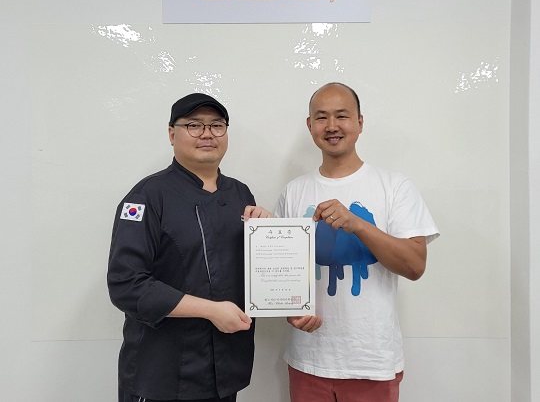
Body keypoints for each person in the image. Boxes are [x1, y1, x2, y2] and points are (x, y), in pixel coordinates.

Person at [274, 82, 439, 402]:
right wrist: (289, 311)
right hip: (308, 360)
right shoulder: (294, 191)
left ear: (360, 122)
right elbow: (282, 272)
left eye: (342, 116)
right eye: (321, 117)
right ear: (310, 125)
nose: (331, 126)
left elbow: (415, 266)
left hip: (372, 362)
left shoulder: (395, 186)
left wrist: (358, 225)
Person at [107, 93, 271, 402]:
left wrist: (270, 234)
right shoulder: (147, 196)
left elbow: (250, 272)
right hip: (162, 373)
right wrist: (210, 310)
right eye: (194, 125)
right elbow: (125, 284)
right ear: (172, 134)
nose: (207, 134)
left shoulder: (240, 193)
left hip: (225, 369)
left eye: (217, 125)